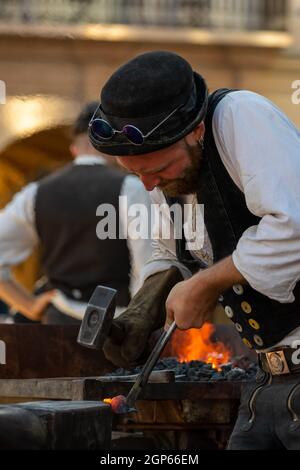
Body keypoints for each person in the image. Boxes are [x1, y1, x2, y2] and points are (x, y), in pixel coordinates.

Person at [88, 51, 300, 449]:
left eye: (159, 169)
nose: (149, 185)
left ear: (196, 130)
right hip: (266, 382)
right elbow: (173, 254)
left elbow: (293, 227)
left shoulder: (242, 116)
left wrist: (206, 284)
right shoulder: (163, 179)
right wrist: (141, 312)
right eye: (136, 174)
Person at [0, 102, 152, 324]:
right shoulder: (131, 187)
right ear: (114, 145)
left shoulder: (36, 193)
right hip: (116, 326)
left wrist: (29, 306)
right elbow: (146, 267)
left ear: (74, 149)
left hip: (57, 323)